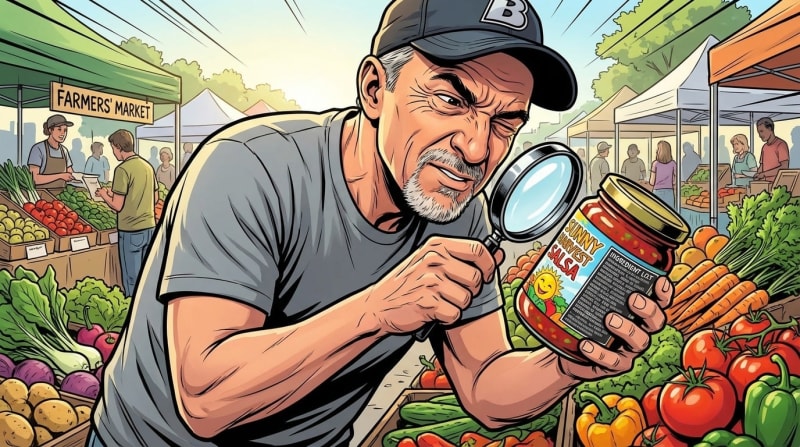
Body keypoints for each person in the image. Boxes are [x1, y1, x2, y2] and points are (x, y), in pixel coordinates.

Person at [88, 1, 671, 446]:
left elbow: (485, 387)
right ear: (375, 88)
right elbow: (207, 397)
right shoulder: (250, 167)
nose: (475, 147)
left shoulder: (463, 215)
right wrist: (378, 308)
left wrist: (566, 364)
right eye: (451, 99)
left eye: (504, 123)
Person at [95, 129, 158, 298]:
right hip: (150, 228)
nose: (114, 153)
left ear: (118, 147)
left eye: (113, 149)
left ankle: (132, 313)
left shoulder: (122, 170)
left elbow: (117, 205)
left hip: (131, 231)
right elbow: (156, 196)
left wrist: (103, 195)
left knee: (132, 279)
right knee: (147, 277)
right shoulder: (147, 167)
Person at [27, 114, 75, 188]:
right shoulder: (38, 149)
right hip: (42, 195)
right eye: (59, 129)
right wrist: (60, 176)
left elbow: (70, 173)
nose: (63, 133)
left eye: (65, 130)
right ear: (50, 130)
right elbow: (34, 179)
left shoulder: (64, 151)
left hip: (62, 195)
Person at [753, 117, 790, 182]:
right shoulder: (764, 147)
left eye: (761, 131)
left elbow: (784, 167)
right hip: (765, 184)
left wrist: (764, 174)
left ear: (770, 129)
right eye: (758, 132)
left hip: (778, 184)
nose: (760, 135)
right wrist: (757, 174)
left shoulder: (781, 144)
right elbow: (762, 166)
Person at [650, 140, 677, 208]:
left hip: (657, 192)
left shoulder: (655, 164)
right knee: (670, 213)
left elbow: (652, 182)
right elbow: (675, 181)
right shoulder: (673, 163)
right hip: (669, 192)